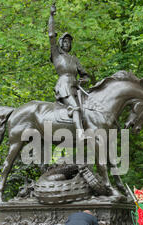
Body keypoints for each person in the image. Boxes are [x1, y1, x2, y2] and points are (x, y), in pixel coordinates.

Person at [48, 4, 90, 140]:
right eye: (64, 41)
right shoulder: (56, 55)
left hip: (76, 87)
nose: (67, 43)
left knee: (89, 108)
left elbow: (85, 75)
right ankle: (80, 133)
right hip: (64, 86)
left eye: (69, 42)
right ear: (61, 43)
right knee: (76, 107)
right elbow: (50, 35)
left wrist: (82, 80)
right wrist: (51, 16)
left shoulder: (74, 59)